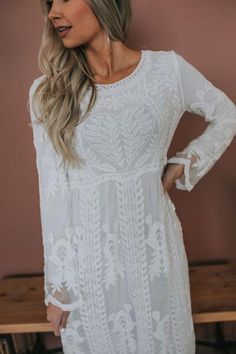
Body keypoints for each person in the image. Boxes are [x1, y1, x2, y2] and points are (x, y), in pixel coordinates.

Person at [27, 0, 236, 353]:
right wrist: (60, 288)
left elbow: (226, 115)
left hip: (156, 260)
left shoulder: (167, 70)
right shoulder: (48, 92)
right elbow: (53, 193)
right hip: (89, 271)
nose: (53, 13)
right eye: (49, 4)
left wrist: (183, 165)